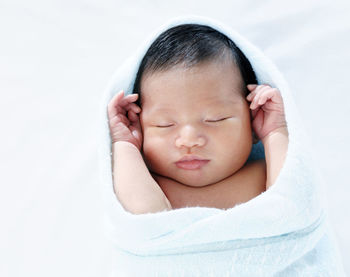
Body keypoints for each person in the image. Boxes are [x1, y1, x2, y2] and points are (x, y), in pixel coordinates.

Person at [107, 24, 289, 214]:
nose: (189, 141)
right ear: (142, 128)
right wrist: (125, 144)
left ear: (252, 122)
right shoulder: (146, 182)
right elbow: (145, 220)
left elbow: (293, 206)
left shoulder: (268, 172)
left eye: (215, 119)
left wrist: (275, 131)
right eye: (164, 124)